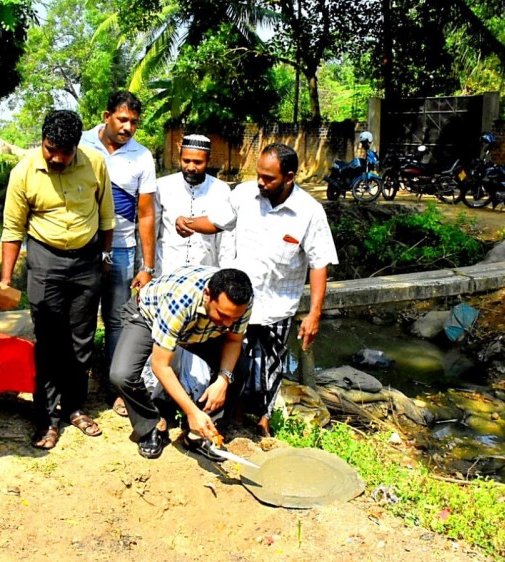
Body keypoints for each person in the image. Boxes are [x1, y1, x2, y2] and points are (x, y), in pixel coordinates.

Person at [1, 109, 115, 450]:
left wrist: (104, 259)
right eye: (50, 148)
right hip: (45, 260)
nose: (55, 157)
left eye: (63, 152)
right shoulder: (24, 172)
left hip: (86, 261)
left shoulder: (95, 163)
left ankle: (75, 408)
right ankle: (47, 419)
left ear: (77, 147)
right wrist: (5, 281)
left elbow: (107, 216)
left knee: (81, 340)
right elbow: (11, 229)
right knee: (49, 342)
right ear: (42, 141)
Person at [226, 143, 338, 436]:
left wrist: (314, 314)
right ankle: (234, 417)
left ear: (289, 177)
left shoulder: (309, 212)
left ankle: (263, 422)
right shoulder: (244, 195)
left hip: (278, 305)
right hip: (240, 304)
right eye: (259, 175)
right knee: (234, 361)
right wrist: (189, 223)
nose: (260, 182)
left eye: (268, 178)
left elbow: (319, 264)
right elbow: (217, 222)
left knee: (271, 368)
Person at [109, 266, 252, 460]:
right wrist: (192, 411)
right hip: (149, 317)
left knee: (239, 369)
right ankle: (152, 424)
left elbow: (233, 340)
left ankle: (203, 434)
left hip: (202, 331)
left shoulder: (241, 302)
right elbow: (160, 365)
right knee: (122, 375)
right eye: (223, 315)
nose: (228, 324)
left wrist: (223, 380)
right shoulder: (179, 299)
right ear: (208, 295)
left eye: (234, 318)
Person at [79, 91, 157, 418]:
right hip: (81, 248)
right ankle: (76, 390)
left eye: (134, 123)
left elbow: (147, 213)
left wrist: (147, 265)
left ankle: (116, 388)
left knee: (117, 321)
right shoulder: (81, 144)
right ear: (106, 115)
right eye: (123, 119)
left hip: (123, 251)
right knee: (79, 319)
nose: (128, 127)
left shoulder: (142, 157)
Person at [154, 134, 234, 276]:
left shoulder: (221, 190)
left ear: (208, 160)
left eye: (197, 162)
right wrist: (146, 269)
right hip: (166, 272)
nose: (191, 167)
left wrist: (225, 276)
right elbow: (151, 230)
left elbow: (225, 240)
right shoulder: (162, 186)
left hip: (205, 274)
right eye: (186, 161)